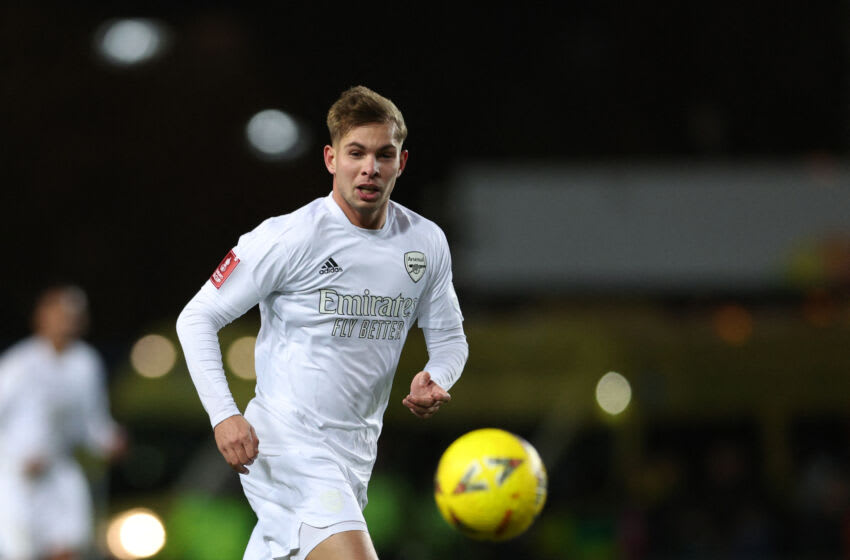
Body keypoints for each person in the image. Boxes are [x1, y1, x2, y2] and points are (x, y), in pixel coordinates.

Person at [176, 85, 468, 559]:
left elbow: (451, 338)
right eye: (356, 153)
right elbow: (197, 318)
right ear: (331, 158)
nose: (369, 168)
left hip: (354, 454)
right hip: (285, 443)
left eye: (383, 154)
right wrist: (224, 414)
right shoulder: (290, 237)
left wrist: (438, 375)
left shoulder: (425, 242)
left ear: (402, 163)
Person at [0, 285, 126, 560]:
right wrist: (16, 457)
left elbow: (94, 422)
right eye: (59, 314)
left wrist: (110, 440)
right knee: (20, 550)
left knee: (68, 547)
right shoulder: (17, 365)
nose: (66, 321)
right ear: (41, 316)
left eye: (73, 315)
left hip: (59, 472)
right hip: (15, 479)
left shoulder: (85, 362)